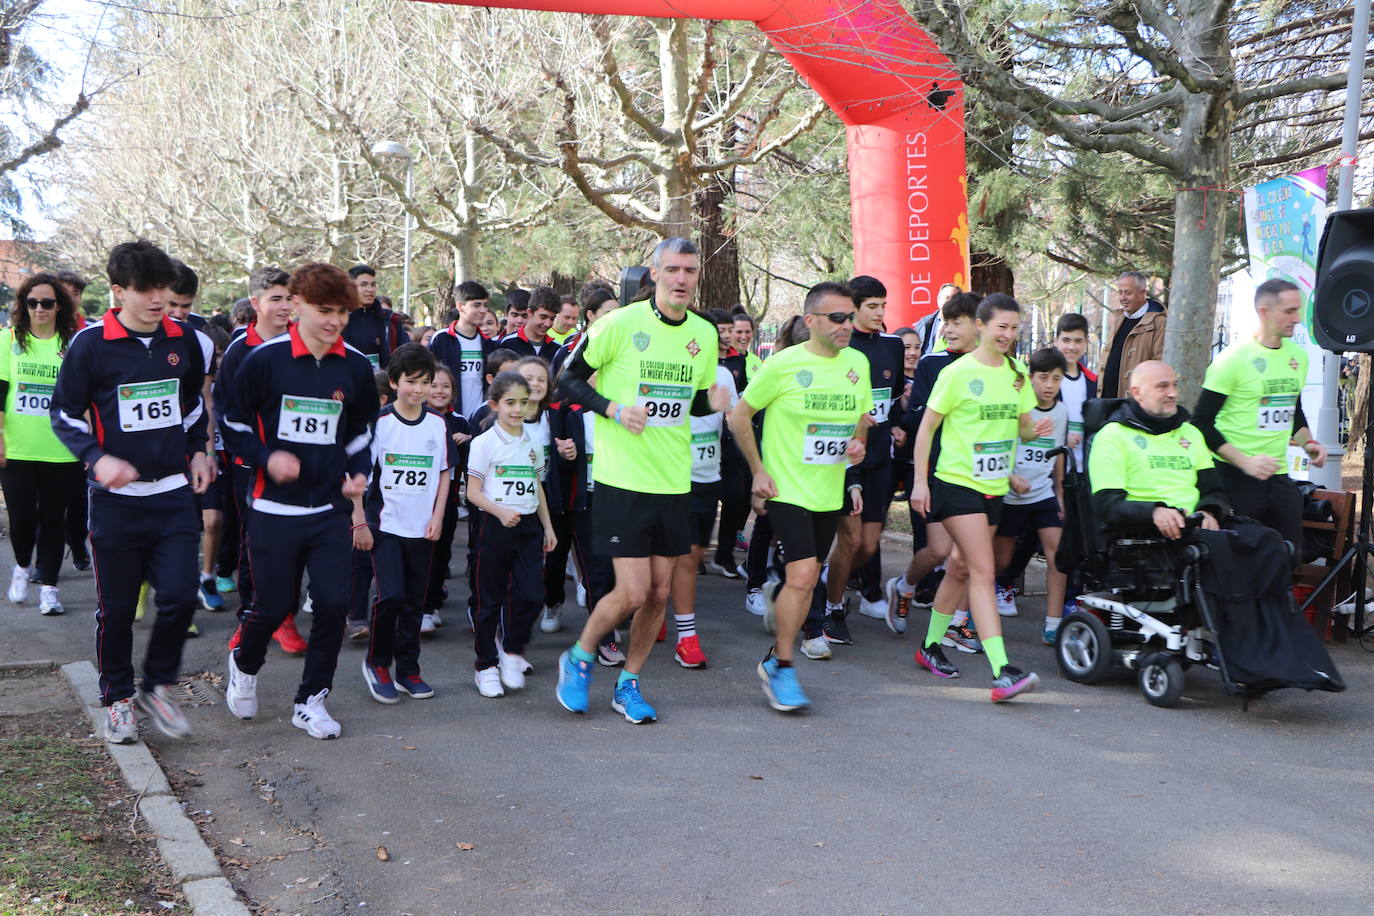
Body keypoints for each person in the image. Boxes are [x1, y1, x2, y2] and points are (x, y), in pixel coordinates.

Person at [552, 237, 728, 724]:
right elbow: (565, 378)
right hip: (622, 477)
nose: (680, 279)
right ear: (653, 274)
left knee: (657, 593)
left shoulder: (703, 333)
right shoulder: (619, 324)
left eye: (689, 271)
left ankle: (629, 683)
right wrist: (612, 409)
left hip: (674, 479)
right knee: (631, 591)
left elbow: (688, 401)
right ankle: (580, 656)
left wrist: (709, 404)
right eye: (671, 269)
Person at [51, 239, 214, 743]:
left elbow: (190, 407)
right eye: (145, 290)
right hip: (115, 504)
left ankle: (157, 686)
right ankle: (118, 698)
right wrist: (98, 459)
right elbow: (62, 414)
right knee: (118, 609)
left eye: (163, 288)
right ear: (119, 291)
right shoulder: (90, 344)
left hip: (171, 495)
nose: (157, 299)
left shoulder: (184, 340)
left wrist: (200, 451)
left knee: (182, 596)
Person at [222, 262, 380, 740]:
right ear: (297, 306)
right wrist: (266, 457)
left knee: (333, 605)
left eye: (342, 312)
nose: (334, 321)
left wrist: (357, 474)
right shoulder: (264, 360)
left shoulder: (353, 365)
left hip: (329, 509)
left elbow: (360, 432)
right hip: (274, 509)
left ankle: (311, 701)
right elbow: (232, 423)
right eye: (324, 310)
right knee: (272, 606)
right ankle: (244, 664)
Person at [728, 282, 873, 711]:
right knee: (806, 576)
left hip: (827, 491)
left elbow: (861, 418)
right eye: (838, 318)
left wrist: (858, 444)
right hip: (787, 489)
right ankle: (784, 667)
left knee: (806, 577)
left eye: (851, 316)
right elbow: (739, 417)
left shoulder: (857, 364)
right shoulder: (784, 365)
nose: (848, 325)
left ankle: (777, 656)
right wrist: (758, 471)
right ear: (810, 321)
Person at [909, 293, 1048, 703]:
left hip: (994, 488)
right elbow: (926, 431)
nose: (1008, 334)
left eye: (1015, 327)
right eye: (1001, 326)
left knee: (961, 568)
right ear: (982, 326)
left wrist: (1030, 435)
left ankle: (929, 647)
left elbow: (1018, 428)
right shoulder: (957, 372)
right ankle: (1002, 670)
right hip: (955, 484)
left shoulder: (1017, 373)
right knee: (984, 570)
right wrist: (920, 483)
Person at [1192, 278, 1326, 554]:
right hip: (1234, 477)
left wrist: (1309, 444)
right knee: (1241, 563)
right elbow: (1200, 424)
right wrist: (1246, 462)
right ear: (1265, 312)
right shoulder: (1232, 360)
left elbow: (1293, 411)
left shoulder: (1297, 357)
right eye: (1289, 311)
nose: (1297, 318)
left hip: (1278, 477)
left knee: (1288, 558)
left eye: (1297, 310)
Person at [216, 267, 307, 656]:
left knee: (296, 543)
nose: (285, 306)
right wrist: (260, 454)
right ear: (255, 304)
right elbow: (227, 412)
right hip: (251, 467)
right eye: (276, 299)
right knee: (254, 544)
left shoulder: (306, 343)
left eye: (290, 298)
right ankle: (251, 618)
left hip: (301, 465)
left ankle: (284, 615)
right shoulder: (240, 350)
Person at [884, 292, 980, 646]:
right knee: (938, 550)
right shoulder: (931, 363)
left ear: (978, 324)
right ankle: (905, 586)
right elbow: (919, 415)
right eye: (946, 322)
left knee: (968, 555)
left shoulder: (997, 365)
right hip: (939, 467)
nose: (949, 329)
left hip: (977, 474)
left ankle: (958, 623)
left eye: (958, 322)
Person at [358, 344, 450, 704]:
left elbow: (444, 473)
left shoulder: (437, 424)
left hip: (423, 527)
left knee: (415, 601)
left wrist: (439, 515)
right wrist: (358, 520)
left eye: (426, 382)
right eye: (411, 382)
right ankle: (377, 663)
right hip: (386, 525)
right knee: (391, 595)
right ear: (394, 382)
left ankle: (408, 669)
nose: (419, 389)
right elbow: (362, 475)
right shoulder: (379, 423)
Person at [818, 275, 905, 639]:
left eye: (884, 305)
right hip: (844, 458)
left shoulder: (893, 345)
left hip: (880, 459)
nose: (881, 313)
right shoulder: (841, 348)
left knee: (868, 544)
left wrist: (895, 426)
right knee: (850, 540)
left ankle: (827, 578)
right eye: (872, 306)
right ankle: (833, 608)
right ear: (853, 309)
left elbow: (893, 397)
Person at [466, 371, 558, 697]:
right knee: (488, 600)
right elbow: (473, 493)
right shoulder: (484, 443)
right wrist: (500, 511)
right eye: (510, 403)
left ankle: (512, 651)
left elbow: (537, 487)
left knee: (531, 595)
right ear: (495, 404)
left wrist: (547, 526)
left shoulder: (533, 443)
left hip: (529, 527)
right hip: (495, 525)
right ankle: (485, 666)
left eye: (523, 402)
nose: (518, 409)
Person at [1, 273, 85, 615]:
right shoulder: (8, 341)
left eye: (47, 303)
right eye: (32, 302)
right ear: (23, 305)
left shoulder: (74, 342)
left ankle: (49, 586)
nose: (39, 309)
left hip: (61, 449)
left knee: (54, 519)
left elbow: (85, 396)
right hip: (18, 447)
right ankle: (22, 566)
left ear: (58, 306)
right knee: (21, 519)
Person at [1090, 360, 1227, 537]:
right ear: (1137, 393)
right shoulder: (1113, 435)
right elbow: (1108, 505)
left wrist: (1209, 512)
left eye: (1174, 385)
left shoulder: (1191, 433)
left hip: (1197, 528)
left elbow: (1214, 490)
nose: (1173, 393)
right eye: (1162, 387)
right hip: (1145, 532)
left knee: (1262, 539)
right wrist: (1153, 512)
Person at [994, 348, 1069, 645]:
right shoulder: (1017, 407)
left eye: (1057, 378)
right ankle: (973, 609)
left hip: (1042, 495)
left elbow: (1060, 454)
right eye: (1043, 378)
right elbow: (999, 444)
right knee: (999, 561)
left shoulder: (1062, 412)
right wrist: (1010, 478)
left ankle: (1053, 624)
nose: (1050, 385)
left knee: (1057, 554)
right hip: (1011, 494)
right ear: (1030, 377)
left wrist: (1060, 493)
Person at [669, 354, 737, 667]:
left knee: (693, 556)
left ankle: (663, 615)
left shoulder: (722, 374)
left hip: (708, 476)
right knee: (677, 558)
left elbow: (735, 418)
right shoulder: (668, 369)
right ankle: (686, 636)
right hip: (670, 478)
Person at [419, 365, 471, 633]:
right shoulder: (416, 416)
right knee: (419, 555)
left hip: (448, 501)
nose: (439, 391)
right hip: (417, 501)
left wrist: (467, 439)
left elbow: (471, 460)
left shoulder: (460, 421)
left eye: (445, 386)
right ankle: (419, 605)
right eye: (434, 385)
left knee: (441, 554)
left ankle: (432, 604)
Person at [704, 308, 751, 580]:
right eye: (720, 330)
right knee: (706, 498)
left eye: (729, 330)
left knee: (735, 496)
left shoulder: (739, 361)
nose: (726, 335)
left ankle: (725, 554)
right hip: (705, 442)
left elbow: (738, 401)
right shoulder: (702, 362)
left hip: (731, 440)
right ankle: (696, 551)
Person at [428, 281, 496, 419]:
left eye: (485, 305)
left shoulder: (488, 343)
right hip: (448, 417)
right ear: (460, 306)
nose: (483, 310)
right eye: (476, 305)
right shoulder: (441, 339)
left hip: (480, 418)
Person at [1097, 270, 1165, 398]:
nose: (1123, 298)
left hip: (1134, 406)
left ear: (1143, 293)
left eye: (1128, 293)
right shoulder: (1119, 318)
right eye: (1120, 292)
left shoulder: (1158, 322)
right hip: (1106, 402)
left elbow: (1159, 365)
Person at [345, 264, 409, 369]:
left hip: (383, 382)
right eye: (363, 285)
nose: (370, 289)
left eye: (373, 285)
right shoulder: (340, 320)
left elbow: (406, 353)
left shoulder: (389, 320)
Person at [551, 282, 618, 379]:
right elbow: (555, 388)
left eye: (617, 314)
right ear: (590, 315)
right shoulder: (568, 350)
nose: (614, 319)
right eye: (608, 314)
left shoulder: (623, 348)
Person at [500, 286, 560, 362]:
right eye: (543, 317)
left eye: (552, 319)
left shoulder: (557, 348)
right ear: (530, 313)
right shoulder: (507, 343)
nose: (547, 324)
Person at [915, 282, 962, 356]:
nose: (950, 302)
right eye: (947, 298)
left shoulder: (963, 327)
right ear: (938, 299)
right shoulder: (924, 323)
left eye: (954, 299)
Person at [733, 312, 763, 378]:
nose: (743, 337)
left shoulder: (757, 361)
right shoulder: (722, 361)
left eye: (747, 332)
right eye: (739, 332)